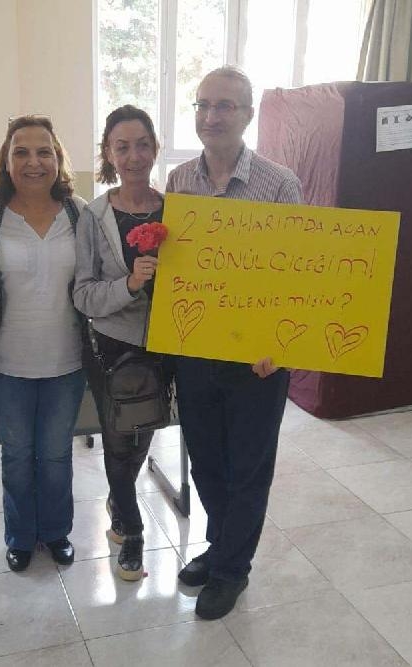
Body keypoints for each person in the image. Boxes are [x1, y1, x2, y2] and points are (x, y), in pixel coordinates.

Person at [166, 66, 302, 620]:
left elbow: (298, 276)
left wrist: (280, 345)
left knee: (248, 466)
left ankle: (231, 570)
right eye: (203, 104)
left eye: (224, 105)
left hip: (258, 359)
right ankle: (221, 545)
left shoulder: (280, 184)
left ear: (247, 115)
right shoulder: (179, 181)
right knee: (206, 462)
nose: (211, 115)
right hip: (196, 351)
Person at [0, 116, 86, 572]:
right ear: (6, 160)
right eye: (21, 152)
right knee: (18, 456)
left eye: (44, 151)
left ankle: (57, 531)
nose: (33, 161)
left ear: (57, 158)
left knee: (57, 455)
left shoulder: (78, 212)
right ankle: (21, 536)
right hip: (5, 361)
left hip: (67, 360)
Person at [74, 105, 165, 581]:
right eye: (122, 147)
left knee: (144, 431)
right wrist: (129, 285)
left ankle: (120, 499)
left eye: (142, 145)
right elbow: (83, 293)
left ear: (155, 148)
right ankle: (132, 533)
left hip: (166, 343)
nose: (134, 157)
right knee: (117, 439)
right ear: (108, 154)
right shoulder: (94, 216)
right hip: (112, 345)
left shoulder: (177, 210)